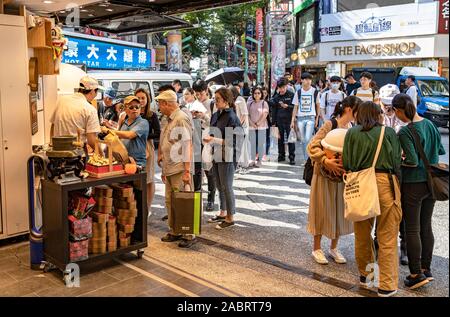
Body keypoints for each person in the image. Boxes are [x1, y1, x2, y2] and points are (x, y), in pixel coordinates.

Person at [343, 101, 402, 297]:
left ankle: (367, 276)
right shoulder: (389, 133)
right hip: (384, 182)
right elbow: (395, 162)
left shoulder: (351, 133)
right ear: (378, 115)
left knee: (362, 233)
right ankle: (386, 285)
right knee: (387, 236)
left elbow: (347, 162)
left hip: (359, 183)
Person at [393, 93, 446, 289]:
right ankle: (427, 269)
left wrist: (400, 159)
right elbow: (440, 151)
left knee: (411, 229)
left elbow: (413, 161)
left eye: (395, 112)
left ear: (399, 110)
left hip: (414, 184)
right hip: (432, 183)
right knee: (426, 226)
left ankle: (416, 273)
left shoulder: (406, 131)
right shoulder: (430, 125)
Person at [307, 96, 361, 265]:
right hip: (323, 175)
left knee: (339, 211)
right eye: (358, 110)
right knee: (321, 209)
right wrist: (325, 160)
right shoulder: (330, 124)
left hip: (342, 177)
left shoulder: (353, 128)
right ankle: (316, 248)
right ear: (349, 110)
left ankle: (333, 248)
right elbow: (312, 145)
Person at [157, 90, 195, 248]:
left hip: (180, 168)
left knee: (183, 201)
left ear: (167, 104)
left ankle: (188, 233)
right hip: (170, 167)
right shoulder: (168, 119)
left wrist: (187, 171)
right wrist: (161, 155)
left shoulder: (181, 118)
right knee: (170, 201)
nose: (158, 107)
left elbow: (188, 145)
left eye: (160, 104)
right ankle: (175, 230)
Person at [205, 87, 243, 229]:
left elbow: (234, 141)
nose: (215, 101)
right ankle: (222, 212)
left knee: (227, 186)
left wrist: (214, 140)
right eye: (215, 99)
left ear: (226, 101)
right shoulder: (216, 115)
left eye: (218, 99)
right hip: (216, 152)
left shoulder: (232, 117)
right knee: (219, 185)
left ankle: (230, 217)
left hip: (227, 155)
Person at [379, 84, 408, 266]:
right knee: (381, 211)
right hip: (383, 170)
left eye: (392, 105)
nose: (389, 108)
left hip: (401, 170)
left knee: (402, 210)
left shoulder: (404, 118)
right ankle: (377, 246)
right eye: (386, 104)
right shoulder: (377, 117)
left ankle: (404, 248)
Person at [50, 76, 103, 150]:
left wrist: (51, 144)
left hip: (57, 151)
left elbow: (53, 125)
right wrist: (101, 154)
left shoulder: (61, 101)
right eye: (96, 92)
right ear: (93, 91)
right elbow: (91, 140)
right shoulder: (89, 109)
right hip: (76, 154)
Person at [102, 95, 149, 168]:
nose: (135, 109)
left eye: (137, 107)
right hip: (123, 162)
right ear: (125, 109)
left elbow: (129, 135)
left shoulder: (143, 122)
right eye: (131, 107)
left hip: (137, 163)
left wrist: (108, 130)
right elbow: (118, 138)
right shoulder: (124, 122)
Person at [135, 88, 161, 215]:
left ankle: (148, 208)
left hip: (147, 147)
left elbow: (158, 133)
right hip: (134, 147)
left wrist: (144, 135)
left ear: (147, 99)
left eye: (143, 98)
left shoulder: (152, 115)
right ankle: (139, 206)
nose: (140, 100)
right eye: (138, 98)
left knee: (149, 178)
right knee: (137, 178)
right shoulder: (132, 113)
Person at [193, 79, 217, 211]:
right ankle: (197, 197)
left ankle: (211, 199)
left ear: (206, 91)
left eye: (201, 93)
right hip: (196, 139)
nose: (199, 96)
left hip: (208, 139)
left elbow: (215, 123)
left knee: (209, 171)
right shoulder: (194, 103)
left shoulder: (212, 104)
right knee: (196, 170)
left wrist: (204, 116)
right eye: (197, 94)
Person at [291, 72, 320, 163]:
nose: (308, 81)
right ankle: (306, 159)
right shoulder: (298, 92)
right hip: (300, 118)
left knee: (307, 138)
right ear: (302, 80)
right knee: (303, 140)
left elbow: (318, 105)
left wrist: (317, 118)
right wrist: (292, 120)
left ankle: (309, 159)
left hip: (311, 117)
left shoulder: (315, 91)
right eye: (306, 79)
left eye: (310, 79)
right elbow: (295, 107)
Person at [183, 87, 209, 191]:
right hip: (189, 138)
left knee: (197, 164)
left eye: (187, 94)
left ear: (192, 94)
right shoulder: (185, 106)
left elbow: (205, 122)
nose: (185, 97)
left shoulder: (198, 105)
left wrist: (198, 116)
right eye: (184, 95)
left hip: (198, 137)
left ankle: (198, 187)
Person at [269, 78, 296, 164]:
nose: (282, 89)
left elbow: (295, 108)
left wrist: (287, 106)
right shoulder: (276, 96)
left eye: (283, 87)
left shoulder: (291, 95)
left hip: (289, 120)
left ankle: (292, 157)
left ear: (286, 86)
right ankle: (281, 155)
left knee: (290, 139)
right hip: (279, 120)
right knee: (279, 139)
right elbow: (273, 110)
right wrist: (273, 123)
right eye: (280, 88)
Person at [230, 86, 250, 172]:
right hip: (237, 126)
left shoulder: (240, 99)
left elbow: (244, 114)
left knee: (243, 146)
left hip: (242, 126)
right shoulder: (234, 100)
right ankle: (238, 164)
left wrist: (239, 125)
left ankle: (244, 164)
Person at [248, 87, 269, 167]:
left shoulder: (264, 103)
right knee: (253, 143)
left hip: (262, 126)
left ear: (261, 94)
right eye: (255, 93)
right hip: (252, 126)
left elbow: (265, 114)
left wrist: (258, 123)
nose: (257, 95)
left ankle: (259, 160)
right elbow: (247, 115)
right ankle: (253, 160)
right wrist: (252, 123)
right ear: (253, 94)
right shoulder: (250, 103)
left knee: (260, 143)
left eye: (258, 93)